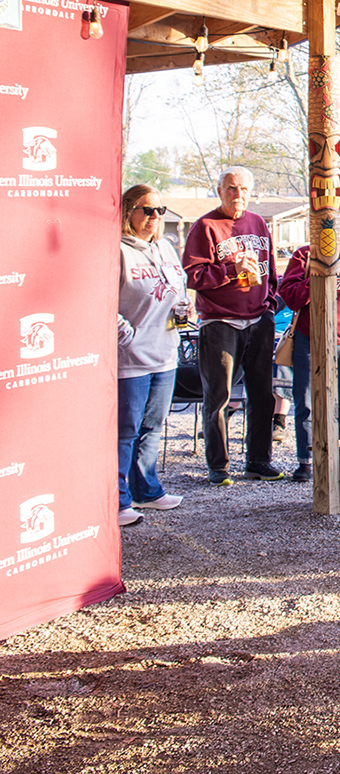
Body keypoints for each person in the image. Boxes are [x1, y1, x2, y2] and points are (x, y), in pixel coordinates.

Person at [183, 166, 282, 485]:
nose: (237, 195)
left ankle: (258, 460)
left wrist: (271, 304)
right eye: (231, 188)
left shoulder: (258, 223)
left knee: (262, 394)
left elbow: (272, 274)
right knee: (220, 395)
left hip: (258, 319)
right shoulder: (205, 226)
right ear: (220, 191)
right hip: (220, 321)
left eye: (243, 189)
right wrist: (229, 270)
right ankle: (218, 465)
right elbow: (193, 276)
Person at [277, 208, 340, 483]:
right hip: (310, 339)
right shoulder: (303, 255)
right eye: (328, 219)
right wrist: (318, 278)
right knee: (306, 401)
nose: (335, 223)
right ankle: (306, 461)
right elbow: (289, 296)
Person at [117, 185, 188, 525]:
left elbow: (179, 287)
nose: (154, 218)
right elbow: (98, 297)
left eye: (160, 211)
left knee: (154, 426)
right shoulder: (117, 251)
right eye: (147, 210)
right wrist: (122, 333)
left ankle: (147, 489)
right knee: (125, 431)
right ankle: (117, 500)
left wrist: (183, 306)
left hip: (165, 350)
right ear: (129, 211)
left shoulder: (167, 248)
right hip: (131, 357)